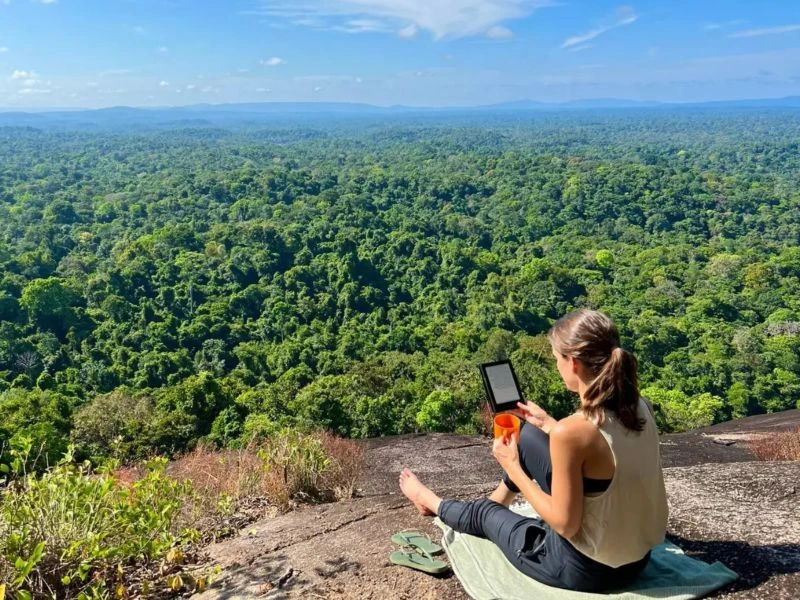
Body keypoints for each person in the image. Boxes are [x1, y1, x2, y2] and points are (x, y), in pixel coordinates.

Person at [398, 309, 669, 592]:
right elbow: (603, 451)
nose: (556, 366)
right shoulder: (640, 406)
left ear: (573, 363)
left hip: (586, 569)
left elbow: (565, 526)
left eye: (556, 358)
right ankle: (498, 500)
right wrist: (547, 424)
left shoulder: (573, 432)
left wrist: (512, 466)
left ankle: (430, 501)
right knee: (526, 435)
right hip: (638, 558)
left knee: (484, 513)